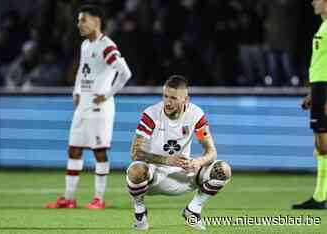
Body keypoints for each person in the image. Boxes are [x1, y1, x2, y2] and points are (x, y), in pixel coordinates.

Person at [46, 4, 132, 210]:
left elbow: (125, 73)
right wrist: (76, 91)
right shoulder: (85, 45)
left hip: (99, 108)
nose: (79, 24)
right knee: (74, 149)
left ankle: (99, 199)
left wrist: (107, 94)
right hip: (83, 105)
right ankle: (69, 198)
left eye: (83, 20)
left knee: (99, 151)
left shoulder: (107, 46)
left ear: (96, 21)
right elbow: (81, 72)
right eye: (78, 20)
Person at [126, 75, 231, 230]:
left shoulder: (196, 114)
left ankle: (193, 210)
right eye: (165, 96)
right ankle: (140, 212)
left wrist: (197, 162)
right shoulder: (151, 114)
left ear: (185, 100)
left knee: (223, 170)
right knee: (135, 170)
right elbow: (135, 153)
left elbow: (211, 152)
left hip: (184, 174)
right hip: (154, 176)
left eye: (173, 98)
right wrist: (167, 160)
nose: (167, 102)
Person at [292, 0, 327, 209]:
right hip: (320, 88)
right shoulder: (323, 25)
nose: (313, 1)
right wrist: (313, 92)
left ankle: (321, 197)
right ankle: (320, 196)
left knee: (323, 144)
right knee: (321, 146)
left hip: (325, 89)